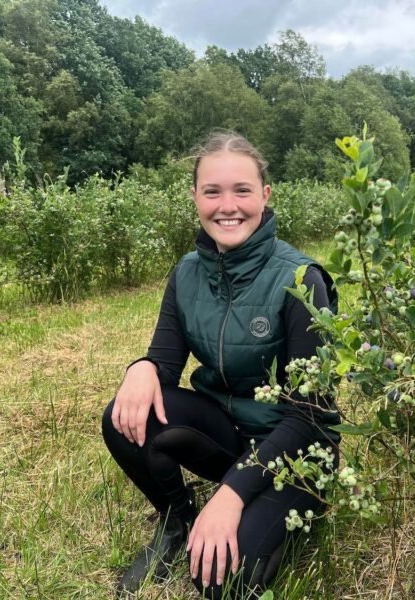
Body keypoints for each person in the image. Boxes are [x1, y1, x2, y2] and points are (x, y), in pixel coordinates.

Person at [101, 131, 340, 598]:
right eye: (212, 191)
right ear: (195, 198)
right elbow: (164, 365)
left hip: (299, 453)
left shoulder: (301, 280)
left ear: (266, 196)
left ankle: (261, 511)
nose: (226, 206)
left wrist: (232, 493)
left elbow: (311, 415)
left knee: (221, 581)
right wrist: (141, 368)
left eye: (242, 191)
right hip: (229, 434)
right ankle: (177, 521)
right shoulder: (187, 272)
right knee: (125, 413)